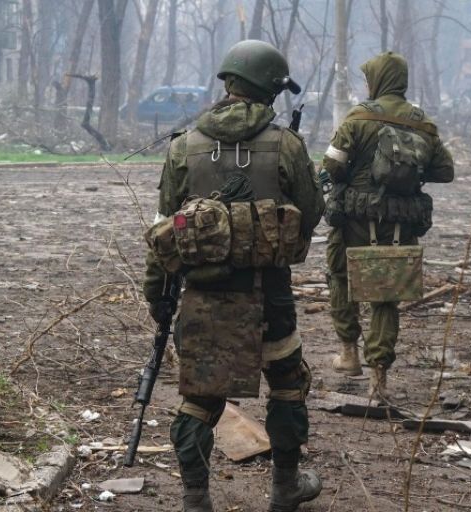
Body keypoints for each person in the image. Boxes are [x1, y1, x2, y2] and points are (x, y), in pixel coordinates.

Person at [143, 39, 324, 512]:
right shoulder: (286, 144)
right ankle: (285, 488)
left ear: (228, 82)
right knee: (287, 383)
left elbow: (165, 230)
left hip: (202, 295)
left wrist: (157, 296)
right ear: (269, 88)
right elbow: (310, 215)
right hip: (270, 296)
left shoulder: (184, 146)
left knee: (200, 398)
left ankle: (195, 499)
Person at [321, 51, 455, 398]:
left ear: (377, 80)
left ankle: (349, 353)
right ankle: (379, 377)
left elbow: (332, 165)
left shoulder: (358, 118)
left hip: (353, 220)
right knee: (386, 296)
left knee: (340, 276)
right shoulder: (422, 123)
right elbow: (445, 170)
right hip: (400, 224)